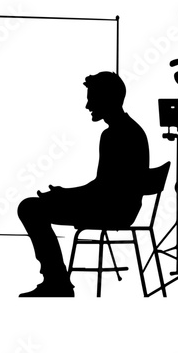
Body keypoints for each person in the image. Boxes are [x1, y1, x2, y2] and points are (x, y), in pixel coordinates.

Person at [17, 71, 149, 297]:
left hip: (113, 210)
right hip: (121, 207)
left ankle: (57, 282)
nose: (88, 105)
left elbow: (104, 189)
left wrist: (65, 195)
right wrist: (67, 195)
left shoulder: (115, 135)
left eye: (92, 98)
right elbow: (104, 186)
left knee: (30, 208)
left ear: (107, 99)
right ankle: (57, 281)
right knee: (33, 206)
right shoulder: (130, 130)